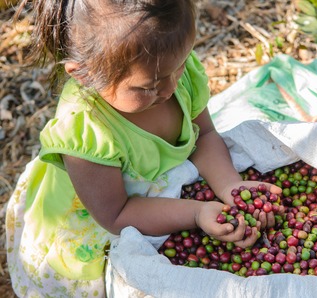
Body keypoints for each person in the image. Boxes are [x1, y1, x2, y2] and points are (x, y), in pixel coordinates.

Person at [6, 1, 281, 297]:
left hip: (152, 200)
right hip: (99, 221)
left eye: (179, 67)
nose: (170, 88)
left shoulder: (170, 71)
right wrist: (197, 213)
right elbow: (117, 214)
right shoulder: (88, 131)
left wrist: (231, 186)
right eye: (148, 87)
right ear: (83, 74)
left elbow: (204, 137)